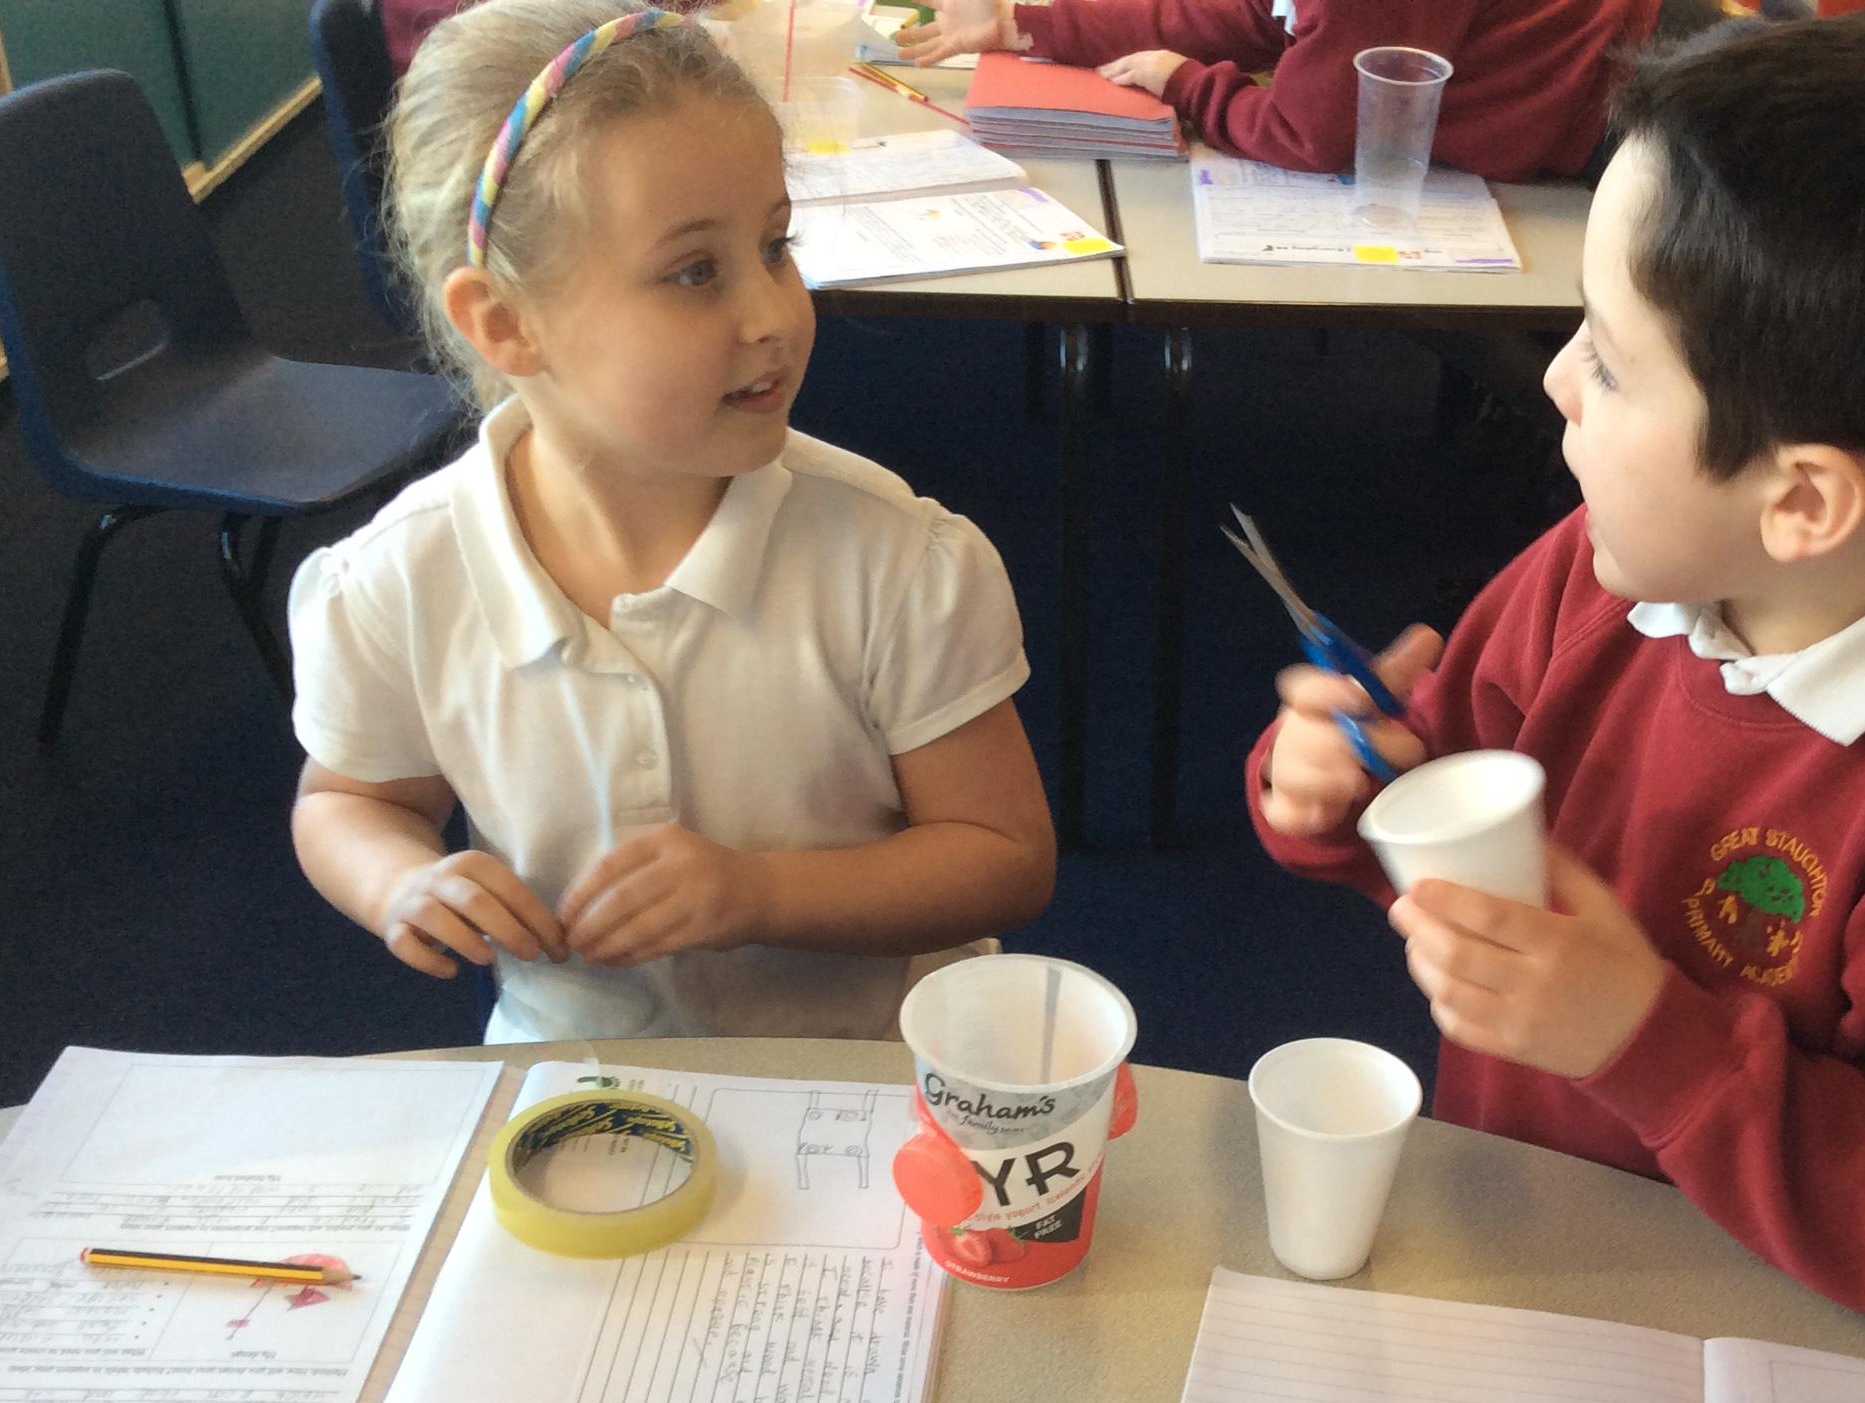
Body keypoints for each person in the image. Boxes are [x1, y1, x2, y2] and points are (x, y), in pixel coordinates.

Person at [1247, 8, 1865, 1325]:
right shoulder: (1603, 576)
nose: (1558, 379)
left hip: (1784, 1352)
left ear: (1801, 503)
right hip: (1524, 1264)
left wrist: (1645, 1039)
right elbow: (1450, 804)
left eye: (1611, 360)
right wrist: (1353, 790)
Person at [291, 0, 1054, 1044]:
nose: (776, 314)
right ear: (504, 323)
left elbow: (1006, 859)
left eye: (776, 245)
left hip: (865, 1072)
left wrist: (760, 893)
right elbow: (348, 801)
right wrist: (399, 883)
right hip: (583, 1074)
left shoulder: (898, 561)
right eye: (696, 272)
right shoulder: (400, 579)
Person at [898, 0, 1661, 182]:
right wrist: (1023, 23)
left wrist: (1188, 86)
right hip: (1617, 82)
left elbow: (1310, 134)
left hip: (1635, 113)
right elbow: (1237, 16)